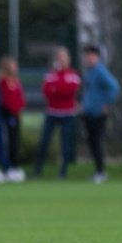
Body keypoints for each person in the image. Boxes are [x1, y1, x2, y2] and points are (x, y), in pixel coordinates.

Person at [34, 46, 81, 179]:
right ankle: (38, 170)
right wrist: (58, 90)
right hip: (52, 113)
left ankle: (63, 171)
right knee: (44, 142)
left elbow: (70, 91)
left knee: (65, 144)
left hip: (67, 113)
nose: (61, 60)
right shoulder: (50, 74)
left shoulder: (73, 74)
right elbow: (47, 92)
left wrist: (57, 89)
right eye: (59, 57)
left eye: (63, 57)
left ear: (68, 59)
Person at [79, 45, 121, 183]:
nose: (88, 58)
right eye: (87, 55)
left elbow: (114, 87)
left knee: (96, 142)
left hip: (98, 114)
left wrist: (106, 104)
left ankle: (101, 172)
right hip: (89, 113)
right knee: (92, 142)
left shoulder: (99, 71)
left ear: (97, 57)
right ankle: (98, 171)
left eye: (91, 56)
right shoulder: (89, 72)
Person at [0, 55, 27, 181]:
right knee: (8, 141)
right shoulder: (2, 81)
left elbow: (20, 97)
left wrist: (20, 107)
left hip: (16, 115)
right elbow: (4, 99)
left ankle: (15, 167)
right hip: (7, 115)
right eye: (13, 64)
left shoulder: (16, 80)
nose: (15, 67)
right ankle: (7, 168)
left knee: (15, 141)